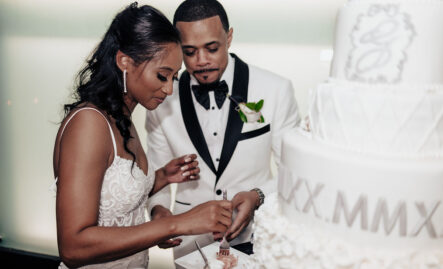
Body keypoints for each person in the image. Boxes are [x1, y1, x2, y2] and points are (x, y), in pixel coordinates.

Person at [52, 3, 232, 268]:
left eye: (174, 77)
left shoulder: (123, 118)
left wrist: (160, 179)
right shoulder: (89, 124)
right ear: (125, 61)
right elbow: (73, 246)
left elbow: (113, 200)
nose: (169, 89)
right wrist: (176, 223)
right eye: (162, 76)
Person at [145, 0, 301, 259]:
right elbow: (157, 174)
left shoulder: (275, 89)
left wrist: (258, 196)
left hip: (256, 238)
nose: (202, 61)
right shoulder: (161, 100)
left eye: (212, 48)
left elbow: (294, 170)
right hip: (188, 245)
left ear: (228, 38)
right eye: (190, 51)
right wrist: (159, 213)